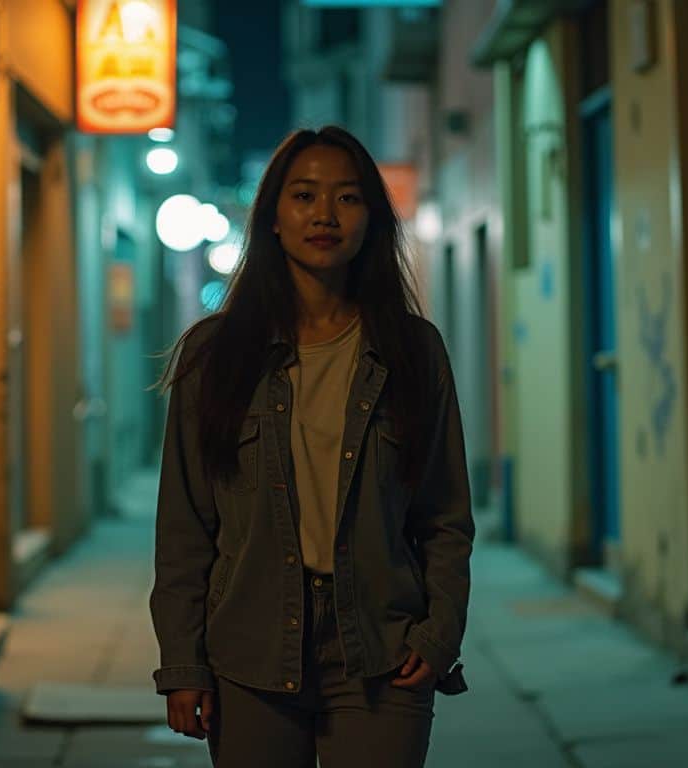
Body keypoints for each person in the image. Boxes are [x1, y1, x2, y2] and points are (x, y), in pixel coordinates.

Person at [149, 125, 474, 768]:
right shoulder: (214, 356)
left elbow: (444, 515)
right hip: (250, 647)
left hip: (381, 648)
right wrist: (183, 663)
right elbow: (185, 528)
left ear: (371, 220)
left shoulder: (414, 351)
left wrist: (438, 634)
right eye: (304, 195)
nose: (325, 214)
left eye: (347, 198)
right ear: (273, 216)